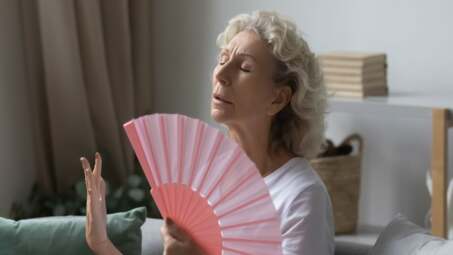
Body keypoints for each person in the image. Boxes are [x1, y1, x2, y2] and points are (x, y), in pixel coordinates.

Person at [81, 10, 334, 255]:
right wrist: (102, 244)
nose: (221, 75)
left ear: (278, 99)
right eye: (222, 59)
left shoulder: (301, 195)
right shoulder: (207, 181)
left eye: (245, 67)